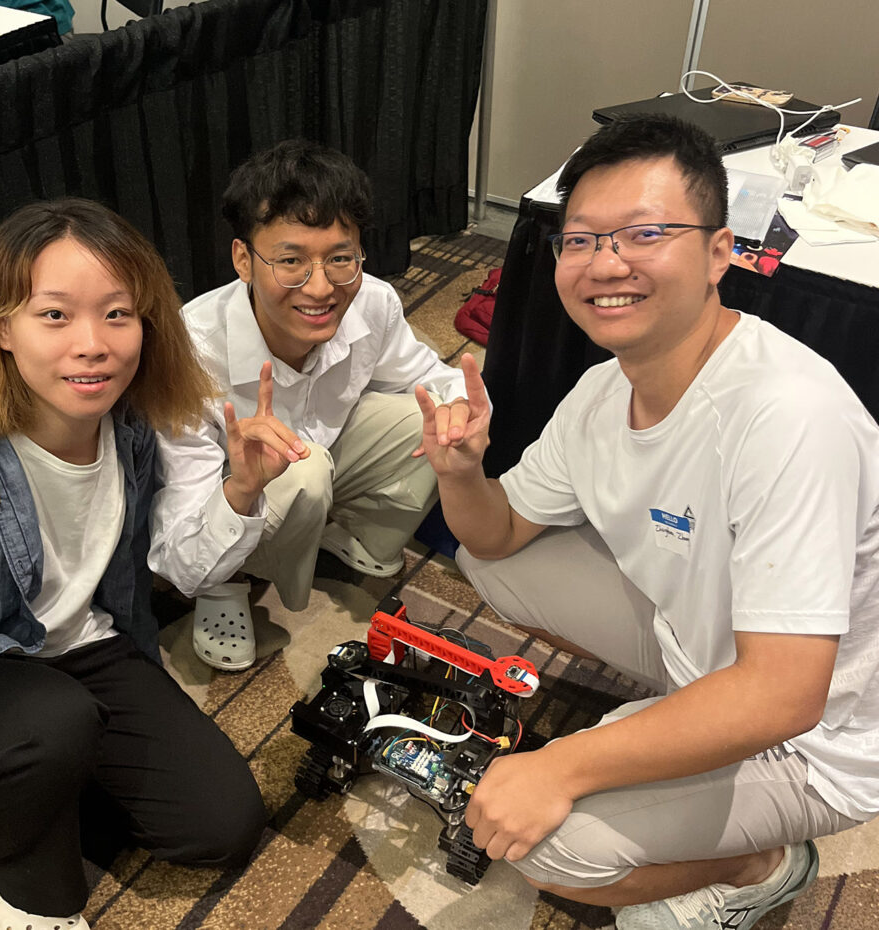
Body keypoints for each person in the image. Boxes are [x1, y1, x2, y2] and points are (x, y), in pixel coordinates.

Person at [415, 114, 879, 930]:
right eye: (582, 240)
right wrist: (460, 472)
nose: (607, 263)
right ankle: (678, 728)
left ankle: (761, 864)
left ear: (718, 252)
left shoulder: (788, 415)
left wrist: (564, 764)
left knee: (554, 849)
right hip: (707, 654)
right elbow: (497, 534)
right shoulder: (601, 392)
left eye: (645, 234)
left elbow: (786, 695)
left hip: (819, 738)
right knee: (490, 560)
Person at [0, 199, 266, 930]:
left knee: (220, 825)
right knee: (51, 725)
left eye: (117, 314)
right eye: (54, 315)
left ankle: (41, 770)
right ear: (0, 327)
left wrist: (240, 490)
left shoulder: (134, 423)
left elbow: (177, 566)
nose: (94, 344)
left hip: (84, 650)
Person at [149, 139, 477, 671]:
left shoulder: (372, 300)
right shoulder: (190, 352)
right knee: (303, 475)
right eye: (291, 261)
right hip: (230, 495)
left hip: (317, 453)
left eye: (340, 258)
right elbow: (172, 551)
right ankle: (226, 586)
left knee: (429, 418)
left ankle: (344, 531)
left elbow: (429, 378)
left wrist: (457, 407)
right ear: (243, 260)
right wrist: (241, 489)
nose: (321, 287)